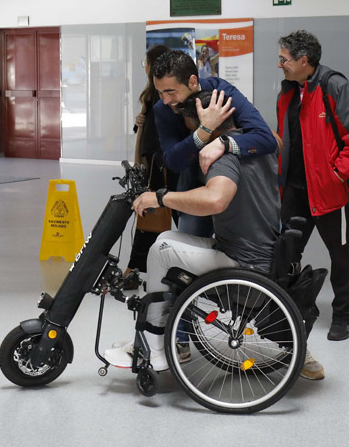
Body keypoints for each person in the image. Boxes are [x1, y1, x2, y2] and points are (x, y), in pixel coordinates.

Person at [104, 91, 324, 381]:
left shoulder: (224, 157)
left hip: (243, 263)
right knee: (169, 240)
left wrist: (160, 198)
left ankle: (154, 345)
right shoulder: (258, 144)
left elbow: (216, 199)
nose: (192, 137)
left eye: (193, 129)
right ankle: (166, 335)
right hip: (265, 255)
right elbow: (275, 140)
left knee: (160, 250)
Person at [277, 30, 349, 341]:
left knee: (340, 255)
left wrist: (337, 175)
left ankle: (342, 315)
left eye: (284, 59)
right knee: (287, 255)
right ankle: (289, 312)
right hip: (294, 192)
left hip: (329, 192)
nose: (280, 64)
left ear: (304, 60)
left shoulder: (335, 86)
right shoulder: (287, 92)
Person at [151, 49, 278, 237]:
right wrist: (203, 133)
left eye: (170, 91)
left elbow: (265, 138)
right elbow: (173, 161)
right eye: (160, 93)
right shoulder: (162, 110)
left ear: (193, 81)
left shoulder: (222, 92)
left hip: (238, 188)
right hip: (194, 188)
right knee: (188, 247)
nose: (165, 100)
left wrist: (223, 143)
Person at [124, 44, 177, 285]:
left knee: (150, 215)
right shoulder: (153, 94)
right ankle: (136, 267)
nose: (144, 67)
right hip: (157, 163)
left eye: (145, 62)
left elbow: (155, 137)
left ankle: (135, 269)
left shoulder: (160, 95)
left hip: (160, 165)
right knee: (152, 216)